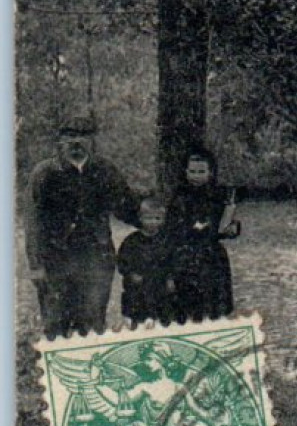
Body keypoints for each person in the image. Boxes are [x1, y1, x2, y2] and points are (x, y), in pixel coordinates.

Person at [27, 116, 142, 336]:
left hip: (95, 260)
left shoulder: (105, 170)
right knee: (56, 325)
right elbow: (33, 221)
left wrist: (159, 221)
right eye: (70, 136)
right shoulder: (45, 173)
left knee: (92, 322)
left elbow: (127, 207)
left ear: (92, 141)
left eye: (83, 136)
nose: (76, 142)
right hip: (56, 261)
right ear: (60, 141)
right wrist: (36, 265)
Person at [163, 147, 240, 322]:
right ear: (186, 172)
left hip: (212, 260)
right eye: (193, 171)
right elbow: (170, 231)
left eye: (201, 172)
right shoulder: (179, 198)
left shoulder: (219, 196)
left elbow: (225, 225)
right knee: (185, 310)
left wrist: (232, 229)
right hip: (185, 259)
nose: (196, 176)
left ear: (210, 173)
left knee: (215, 311)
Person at [116, 197, 172, 325]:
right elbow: (122, 260)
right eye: (148, 218)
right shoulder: (132, 240)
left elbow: (171, 260)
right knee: (135, 311)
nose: (153, 222)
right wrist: (130, 273)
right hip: (137, 284)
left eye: (157, 218)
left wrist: (170, 277)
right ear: (140, 218)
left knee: (160, 310)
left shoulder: (165, 240)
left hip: (158, 283)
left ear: (163, 220)